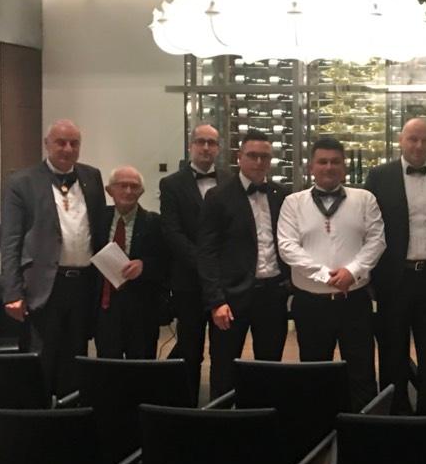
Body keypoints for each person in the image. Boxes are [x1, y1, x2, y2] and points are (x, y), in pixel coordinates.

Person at [0, 119, 108, 396]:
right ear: (46, 144)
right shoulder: (21, 181)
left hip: (83, 284)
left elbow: (98, 231)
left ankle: (70, 415)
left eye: (74, 143)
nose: (67, 149)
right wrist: (12, 292)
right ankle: (38, 417)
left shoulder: (92, 177)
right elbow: (10, 241)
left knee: (76, 359)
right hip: (43, 286)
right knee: (41, 359)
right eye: (61, 142)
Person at [277, 136, 386, 409]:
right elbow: (287, 247)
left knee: (362, 373)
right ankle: (318, 428)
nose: (329, 167)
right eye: (322, 162)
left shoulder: (365, 199)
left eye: (335, 162)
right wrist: (326, 275)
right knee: (314, 375)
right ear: (311, 167)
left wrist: (352, 272)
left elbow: (377, 241)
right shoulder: (293, 202)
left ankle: (362, 429)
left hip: (354, 302)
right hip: (310, 304)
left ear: (344, 167)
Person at [365, 118, 426, 415]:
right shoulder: (379, 176)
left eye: (424, 140)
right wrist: (369, 276)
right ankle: (396, 414)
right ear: (400, 140)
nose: (418, 145)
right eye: (412, 139)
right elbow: (368, 227)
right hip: (394, 278)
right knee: (392, 351)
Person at [197, 129, 289, 401]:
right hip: (231, 297)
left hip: (272, 294)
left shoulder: (282, 195)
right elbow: (207, 252)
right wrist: (216, 301)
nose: (259, 162)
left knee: (269, 368)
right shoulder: (218, 196)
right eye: (253, 155)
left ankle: (263, 419)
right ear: (240, 157)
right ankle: (221, 422)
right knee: (224, 369)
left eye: (265, 157)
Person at [160, 124, 233, 398]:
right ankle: (186, 408)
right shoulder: (171, 184)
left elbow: (233, 230)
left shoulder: (230, 181)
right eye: (201, 141)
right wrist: (205, 265)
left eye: (211, 143)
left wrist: (216, 269)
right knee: (189, 350)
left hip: (223, 284)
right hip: (187, 283)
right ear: (191, 145)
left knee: (223, 351)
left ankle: (220, 406)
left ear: (218, 148)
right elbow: (172, 232)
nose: (205, 147)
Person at [94, 166, 168, 360]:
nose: (128, 191)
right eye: (122, 185)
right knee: (107, 365)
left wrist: (144, 265)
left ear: (141, 191)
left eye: (134, 186)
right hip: (106, 308)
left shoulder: (155, 223)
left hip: (142, 310)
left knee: (141, 367)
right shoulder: (98, 219)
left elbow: (167, 262)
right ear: (110, 190)